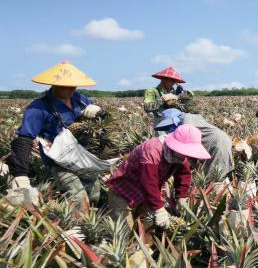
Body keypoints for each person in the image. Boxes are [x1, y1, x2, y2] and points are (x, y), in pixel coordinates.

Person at [6, 61, 104, 205]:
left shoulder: (80, 99)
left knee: (95, 194)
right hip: (59, 160)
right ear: (54, 84)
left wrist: (100, 111)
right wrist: (20, 173)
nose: (72, 88)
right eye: (67, 85)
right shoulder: (38, 108)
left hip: (83, 156)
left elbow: (101, 120)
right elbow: (24, 139)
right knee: (78, 198)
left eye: (73, 85)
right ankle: (76, 226)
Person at [106, 125, 210, 228]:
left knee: (147, 230)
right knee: (124, 231)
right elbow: (148, 181)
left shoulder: (180, 155)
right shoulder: (152, 150)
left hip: (147, 195)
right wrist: (159, 209)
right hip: (123, 191)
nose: (186, 156)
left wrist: (181, 197)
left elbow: (184, 174)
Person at [155, 109, 234, 184]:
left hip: (216, 144)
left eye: (170, 125)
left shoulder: (186, 120)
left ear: (174, 118)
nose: (169, 128)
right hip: (219, 141)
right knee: (214, 174)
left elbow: (186, 148)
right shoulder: (190, 118)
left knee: (214, 178)